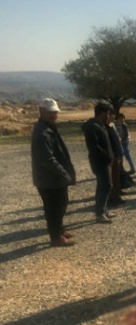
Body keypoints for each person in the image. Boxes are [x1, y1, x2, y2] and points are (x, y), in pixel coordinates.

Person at [31, 98, 77, 246]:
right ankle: (56, 237)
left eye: (55, 112)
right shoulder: (42, 133)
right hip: (49, 179)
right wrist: (63, 173)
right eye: (50, 112)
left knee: (61, 205)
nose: (54, 115)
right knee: (54, 208)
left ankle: (60, 230)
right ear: (42, 111)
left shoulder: (48, 127)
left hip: (53, 178)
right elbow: (48, 159)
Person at [82, 103, 116, 224]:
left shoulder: (100, 125)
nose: (109, 116)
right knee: (107, 186)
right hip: (99, 161)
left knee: (101, 185)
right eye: (107, 114)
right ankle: (100, 214)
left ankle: (103, 211)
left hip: (104, 160)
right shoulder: (93, 127)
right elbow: (94, 147)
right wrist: (107, 156)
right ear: (102, 113)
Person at [106, 115, 126, 205]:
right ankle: (113, 196)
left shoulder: (112, 125)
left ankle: (117, 191)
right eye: (111, 115)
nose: (113, 117)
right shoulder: (105, 127)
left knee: (117, 176)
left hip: (118, 154)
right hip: (113, 155)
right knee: (113, 177)